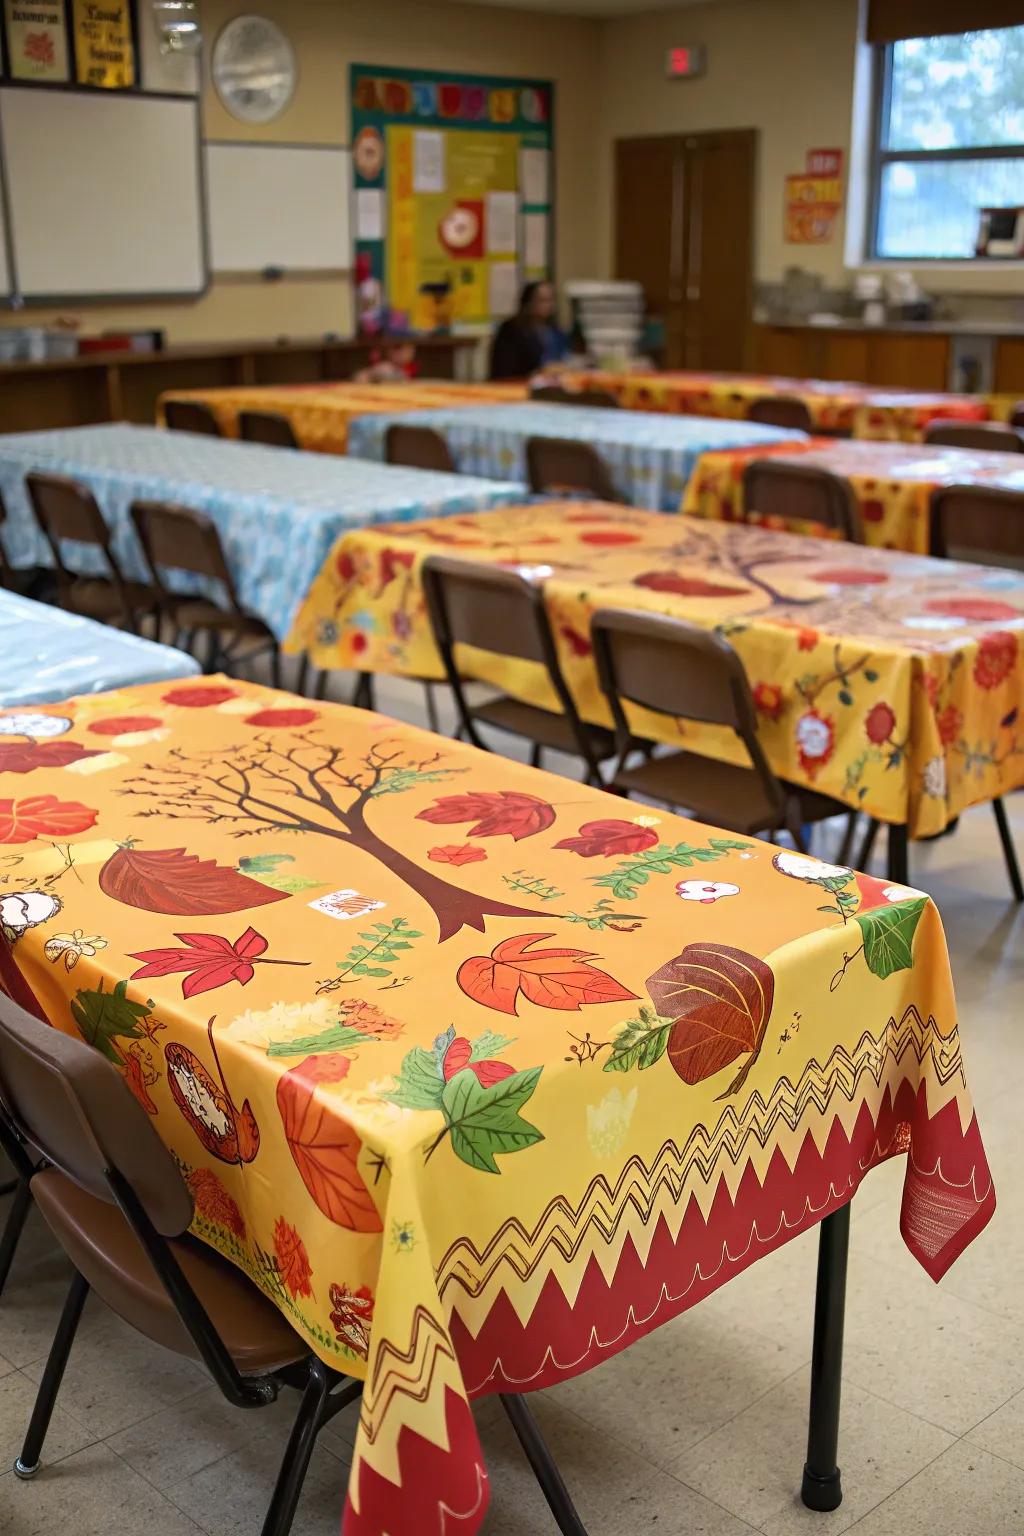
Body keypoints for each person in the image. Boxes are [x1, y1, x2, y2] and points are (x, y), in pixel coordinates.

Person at [489, 281, 569, 380]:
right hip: (517, 385)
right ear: (529, 303)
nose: (549, 305)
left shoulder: (555, 331)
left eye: (552, 300)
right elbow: (504, 369)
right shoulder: (512, 330)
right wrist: (541, 371)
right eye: (543, 300)